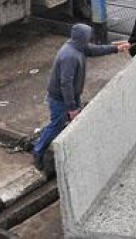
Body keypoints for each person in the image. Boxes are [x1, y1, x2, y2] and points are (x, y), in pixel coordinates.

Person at [33, 24, 130, 173]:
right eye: (88, 37)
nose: (90, 39)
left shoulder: (78, 47)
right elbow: (66, 84)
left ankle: (69, 149)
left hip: (71, 95)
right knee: (56, 125)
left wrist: (116, 48)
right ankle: (38, 152)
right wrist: (71, 108)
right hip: (60, 98)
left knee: (68, 123)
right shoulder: (69, 56)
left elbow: (96, 50)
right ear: (82, 38)